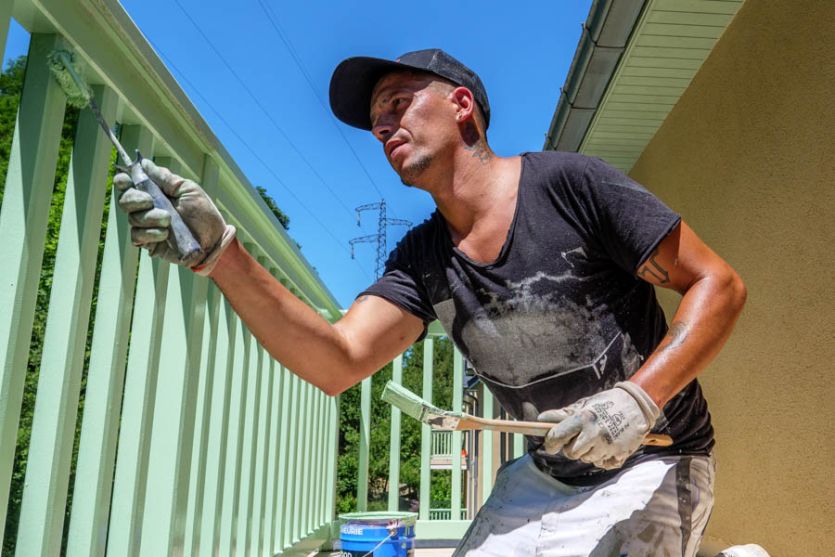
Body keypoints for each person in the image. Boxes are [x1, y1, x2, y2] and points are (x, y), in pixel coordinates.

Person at [114, 48, 747, 556]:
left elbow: (718, 285)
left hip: (656, 461)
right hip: (545, 477)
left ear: (462, 105)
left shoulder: (571, 185)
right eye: (376, 120)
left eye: (397, 102)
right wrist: (221, 256)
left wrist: (638, 398)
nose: (384, 124)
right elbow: (338, 360)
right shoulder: (422, 259)